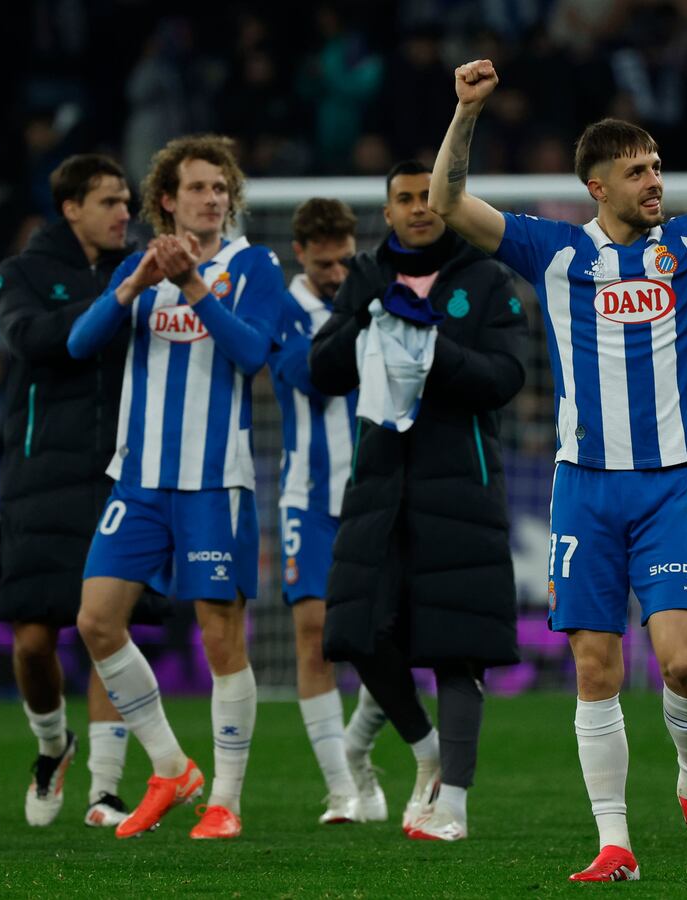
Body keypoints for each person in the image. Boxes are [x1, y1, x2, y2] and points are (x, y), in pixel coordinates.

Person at [428, 57, 687, 881]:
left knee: (682, 663)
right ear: (597, 186)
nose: (654, 180)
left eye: (656, 166)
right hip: (584, 489)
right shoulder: (552, 250)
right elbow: (446, 204)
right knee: (593, 666)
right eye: (637, 171)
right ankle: (615, 842)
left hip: (665, 487)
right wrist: (466, 113)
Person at [67, 135, 281, 840]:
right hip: (139, 477)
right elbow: (79, 343)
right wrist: (134, 284)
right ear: (168, 198)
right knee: (97, 620)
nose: (213, 198)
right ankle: (169, 765)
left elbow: (253, 354)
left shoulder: (253, 264)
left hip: (214, 482)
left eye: (221, 187)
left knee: (222, 638)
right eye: (198, 187)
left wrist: (192, 285)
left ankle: (225, 800)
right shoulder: (138, 265)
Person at [310, 160, 526, 842]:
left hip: (459, 487)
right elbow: (322, 369)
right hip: (378, 490)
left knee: (457, 650)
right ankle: (428, 752)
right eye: (404, 198)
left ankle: (453, 806)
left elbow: (505, 377)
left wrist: (433, 347)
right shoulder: (367, 279)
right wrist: (366, 324)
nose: (418, 208)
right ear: (389, 210)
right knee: (357, 634)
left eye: (428, 196)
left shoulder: (487, 278)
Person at [0, 154, 169, 829]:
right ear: (71, 208)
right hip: (39, 476)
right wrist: (116, 297)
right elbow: (33, 338)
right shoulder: (21, 272)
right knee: (31, 639)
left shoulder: (140, 267)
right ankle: (53, 745)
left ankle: (105, 790)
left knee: (105, 632)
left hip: (118, 473)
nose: (122, 213)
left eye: (126, 202)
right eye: (109, 201)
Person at [268, 197, 389, 824]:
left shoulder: (373, 291)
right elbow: (309, 376)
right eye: (324, 266)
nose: (338, 274)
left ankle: (358, 751)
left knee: (387, 638)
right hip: (309, 499)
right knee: (313, 635)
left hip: (373, 492)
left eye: (345, 261)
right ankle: (342, 787)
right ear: (300, 254)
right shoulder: (282, 308)